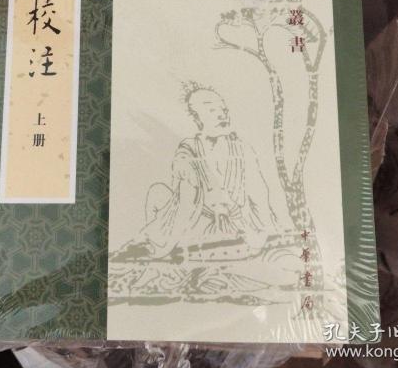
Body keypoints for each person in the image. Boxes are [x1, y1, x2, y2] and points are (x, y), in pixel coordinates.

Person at [119, 84, 281, 260]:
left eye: (223, 110)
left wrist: (269, 230)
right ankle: (162, 245)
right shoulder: (189, 148)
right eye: (212, 110)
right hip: (197, 222)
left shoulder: (242, 149)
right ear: (197, 117)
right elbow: (182, 180)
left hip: (233, 226)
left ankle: (160, 246)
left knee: (175, 194)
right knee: (158, 191)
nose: (222, 115)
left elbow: (259, 194)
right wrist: (185, 169)